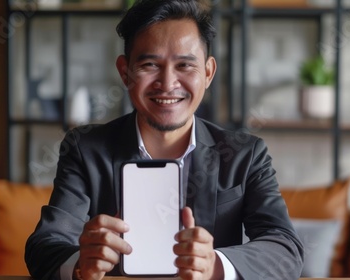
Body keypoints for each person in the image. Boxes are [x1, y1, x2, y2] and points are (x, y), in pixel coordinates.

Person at [25, 0, 304, 279]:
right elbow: (44, 246)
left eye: (184, 65)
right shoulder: (85, 148)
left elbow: (285, 250)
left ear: (207, 73)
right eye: (150, 64)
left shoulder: (244, 154)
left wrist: (215, 264)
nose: (168, 83)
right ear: (125, 72)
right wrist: (79, 262)